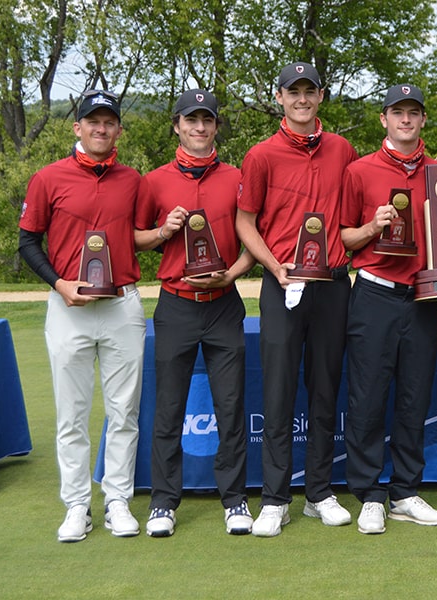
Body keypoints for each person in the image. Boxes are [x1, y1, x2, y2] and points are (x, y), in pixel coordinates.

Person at [236, 62, 357, 537]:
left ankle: (320, 492)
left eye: (310, 91)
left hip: (332, 283)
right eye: (294, 92)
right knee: (280, 389)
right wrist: (274, 266)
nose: (302, 99)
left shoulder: (344, 150)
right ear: (280, 97)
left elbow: (356, 212)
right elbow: (246, 222)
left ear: (321, 97)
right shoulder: (261, 155)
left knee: (326, 388)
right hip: (281, 282)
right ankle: (275, 498)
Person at [18, 90, 145, 542]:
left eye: (109, 122)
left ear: (118, 132)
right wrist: (59, 283)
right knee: (71, 415)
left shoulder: (133, 180)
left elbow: (143, 235)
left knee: (124, 412)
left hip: (123, 305)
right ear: (77, 127)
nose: (100, 128)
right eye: (92, 121)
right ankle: (76, 506)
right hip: (68, 307)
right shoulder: (47, 178)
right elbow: (28, 243)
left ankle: (117, 501)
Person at [134, 89, 256, 538]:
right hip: (176, 305)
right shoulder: (154, 181)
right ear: (177, 126)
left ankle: (235, 499)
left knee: (231, 406)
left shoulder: (238, 177)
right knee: (168, 408)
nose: (200, 128)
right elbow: (133, 238)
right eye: (191, 120)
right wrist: (162, 231)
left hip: (224, 305)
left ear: (216, 127)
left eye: (207, 120)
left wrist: (234, 275)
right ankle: (164, 503)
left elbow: (253, 240)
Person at [340, 84, 437, 535]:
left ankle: (405, 491)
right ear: (383, 119)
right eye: (397, 112)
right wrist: (373, 225)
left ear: (423, 120)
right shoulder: (358, 170)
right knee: (367, 398)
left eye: (414, 112)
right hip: (374, 293)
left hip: (424, 298)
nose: (406, 120)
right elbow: (342, 239)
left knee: (414, 397)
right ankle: (369, 494)